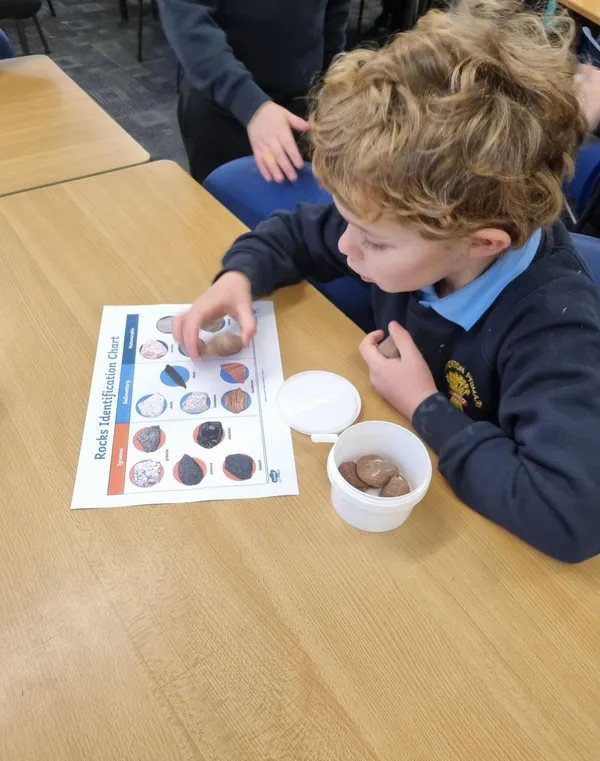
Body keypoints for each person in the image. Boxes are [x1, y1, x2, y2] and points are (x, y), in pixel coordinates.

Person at [173, 0, 600, 563]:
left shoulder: (552, 329)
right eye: (348, 222)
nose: (346, 247)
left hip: (459, 549)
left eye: (372, 241)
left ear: (483, 243)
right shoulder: (412, 219)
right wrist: (239, 274)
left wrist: (424, 406)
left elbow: (571, 516)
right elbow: (299, 233)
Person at [159, 0, 351, 184]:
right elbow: (186, 22)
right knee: (224, 210)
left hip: (303, 99)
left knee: (302, 206)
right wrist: (250, 106)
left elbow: (334, 12)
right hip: (226, 104)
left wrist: (330, 85)